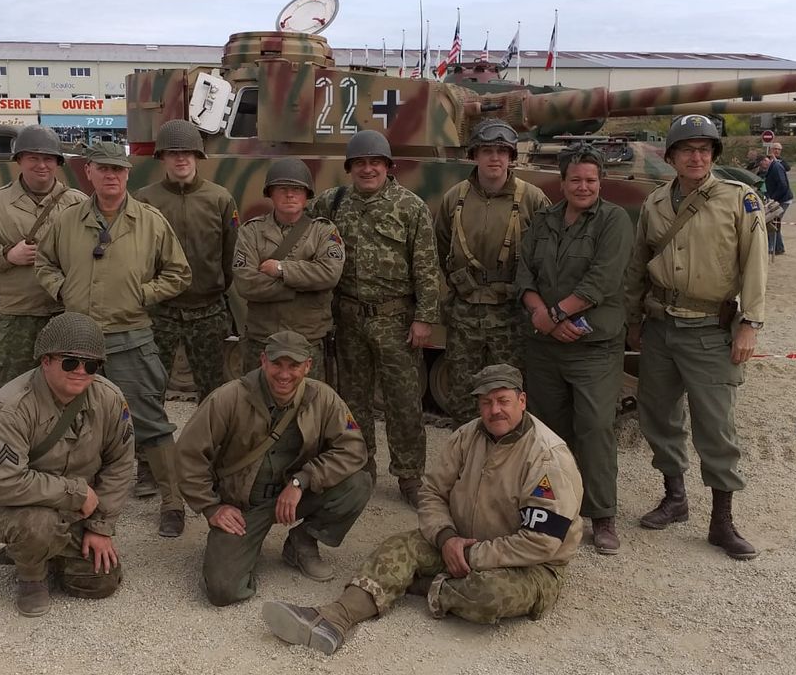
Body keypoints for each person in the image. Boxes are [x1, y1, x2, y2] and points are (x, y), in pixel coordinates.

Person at [260, 364, 583, 654]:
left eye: (503, 401)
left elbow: (540, 542)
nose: (494, 410)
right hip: (459, 540)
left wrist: (470, 556)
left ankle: (418, 584)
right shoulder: (467, 435)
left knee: (490, 594)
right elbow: (432, 492)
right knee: (397, 547)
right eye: (486, 402)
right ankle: (334, 619)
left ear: (522, 401)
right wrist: (446, 538)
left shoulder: (547, 457)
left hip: (530, 565)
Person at [625, 114, 768, 560]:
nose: (697, 157)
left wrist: (750, 323)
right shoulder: (655, 203)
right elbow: (639, 262)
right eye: (687, 149)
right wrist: (632, 318)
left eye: (705, 150)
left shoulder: (739, 199)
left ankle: (722, 521)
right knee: (659, 417)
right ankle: (675, 498)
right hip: (661, 326)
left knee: (716, 427)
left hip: (710, 328)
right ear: (671, 157)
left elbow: (756, 263)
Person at [35, 141, 193, 532]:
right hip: (78, 338)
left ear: (127, 174)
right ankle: (71, 498)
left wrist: (144, 294)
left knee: (151, 421)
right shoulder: (67, 220)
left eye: (118, 169)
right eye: (103, 168)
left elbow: (179, 273)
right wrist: (63, 290)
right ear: (88, 172)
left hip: (130, 335)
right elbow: (44, 262)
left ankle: (173, 502)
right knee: (72, 420)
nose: (111, 176)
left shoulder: (150, 221)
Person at [0, 312, 137, 617]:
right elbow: (3, 483)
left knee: (98, 582)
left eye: (91, 365)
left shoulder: (109, 399)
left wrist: (100, 527)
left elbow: (120, 462)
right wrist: (77, 493)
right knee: (37, 525)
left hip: (62, 503)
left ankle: (41, 548)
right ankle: (31, 577)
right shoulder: (11, 409)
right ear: (46, 361)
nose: (81, 371)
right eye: (70, 362)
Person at [176, 331, 371, 606]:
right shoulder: (229, 397)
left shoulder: (324, 398)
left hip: (294, 496)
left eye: (294, 365)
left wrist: (301, 481)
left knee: (358, 483)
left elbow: (353, 449)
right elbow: (188, 453)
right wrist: (211, 507)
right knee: (223, 591)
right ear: (263, 360)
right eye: (277, 364)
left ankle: (302, 541)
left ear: (308, 366)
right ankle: (244, 547)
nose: (284, 374)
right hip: (243, 507)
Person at [309, 130, 441, 507]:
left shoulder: (410, 207)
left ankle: (409, 474)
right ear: (350, 168)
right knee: (353, 400)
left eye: (375, 163)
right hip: (348, 317)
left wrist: (425, 318)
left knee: (404, 401)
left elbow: (426, 267)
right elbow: (297, 226)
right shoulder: (332, 203)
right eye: (360, 163)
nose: (368, 169)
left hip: (395, 318)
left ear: (387, 166)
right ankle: (360, 467)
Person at [516, 144, 632, 554]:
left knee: (595, 427)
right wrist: (541, 315)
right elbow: (524, 273)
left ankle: (602, 515)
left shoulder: (614, 221)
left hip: (592, 347)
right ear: (562, 182)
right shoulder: (544, 221)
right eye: (576, 180)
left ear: (601, 182)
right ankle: (556, 509)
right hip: (545, 347)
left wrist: (554, 315)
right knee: (548, 430)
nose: (584, 187)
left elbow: (602, 279)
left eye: (591, 180)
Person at [132, 119, 238, 538]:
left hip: (207, 309)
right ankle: (148, 467)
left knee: (213, 395)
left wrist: (220, 294)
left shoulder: (220, 199)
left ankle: (210, 465)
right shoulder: (145, 199)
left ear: (198, 156)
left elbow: (230, 255)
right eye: (173, 153)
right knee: (149, 393)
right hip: (159, 310)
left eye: (187, 153)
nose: (181, 159)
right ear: (162, 158)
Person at [434, 119, 550, 422]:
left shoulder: (532, 199)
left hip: (511, 314)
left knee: (510, 396)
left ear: (511, 156)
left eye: (502, 151)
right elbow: (441, 246)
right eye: (487, 150)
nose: (495, 158)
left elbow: (547, 255)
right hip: (465, 313)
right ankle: (466, 450)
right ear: (475, 155)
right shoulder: (454, 198)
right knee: (463, 396)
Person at [0, 126, 88, 398]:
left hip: (65, 312)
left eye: (48, 159)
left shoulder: (78, 203)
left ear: (57, 163)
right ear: (19, 160)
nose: (41, 165)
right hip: (19, 314)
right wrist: (7, 255)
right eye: (33, 158)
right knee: (9, 392)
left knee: (69, 391)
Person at [234, 158, 344, 380]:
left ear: (306, 195)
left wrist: (281, 269)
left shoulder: (323, 231)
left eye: (297, 189)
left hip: (308, 339)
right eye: (282, 189)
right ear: (270, 193)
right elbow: (246, 283)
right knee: (257, 398)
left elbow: (329, 274)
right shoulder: (251, 231)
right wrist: (304, 287)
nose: (290, 195)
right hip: (263, 338)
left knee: (310, 400)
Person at [759, 154, 792, 255]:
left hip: (783, 199)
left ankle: (775, 247)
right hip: (779, 198)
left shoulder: (776, 167)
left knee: (773, 222)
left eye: (761, 164)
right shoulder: (772, 168)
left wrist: (773, 199)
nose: (761, 167)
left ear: (765, 160)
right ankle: (777, 247)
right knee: (774, 222)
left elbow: (783, 185)